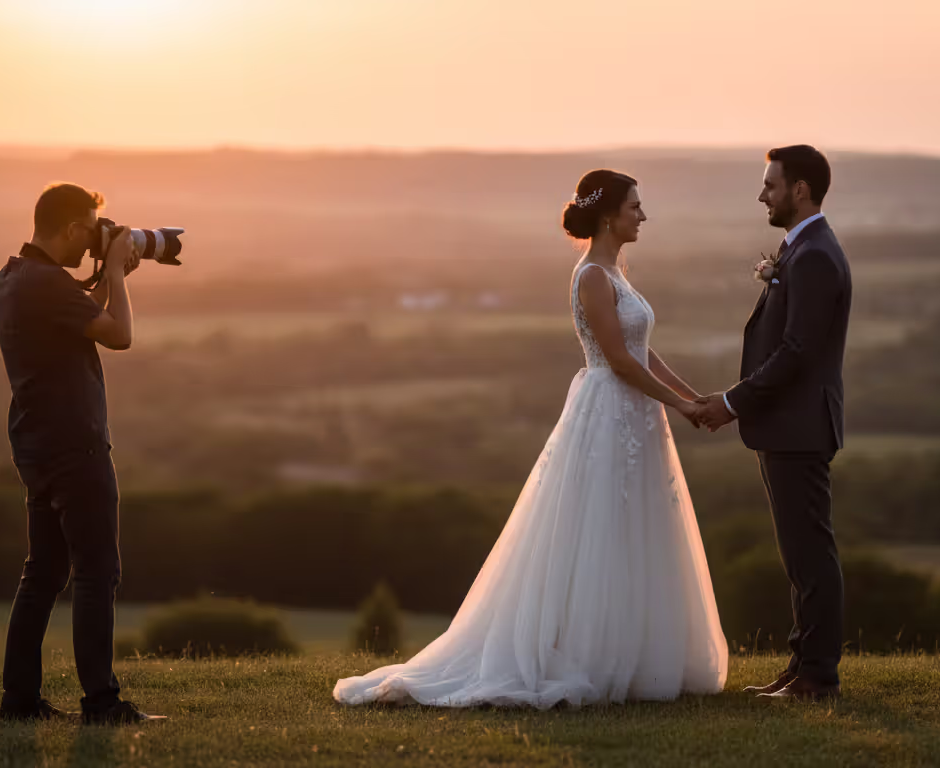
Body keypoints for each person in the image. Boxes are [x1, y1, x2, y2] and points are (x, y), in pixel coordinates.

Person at [333, 170, 729, 708]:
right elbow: (615, 360)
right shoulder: (592, 275)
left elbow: (641, 349)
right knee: (601, 531)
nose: (642, 215)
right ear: (609, 214)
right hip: (609, 412)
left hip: (636, 414)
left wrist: (692, 399)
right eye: (635, 206)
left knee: (638, 528)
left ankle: (635, 656)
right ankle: (588, 655)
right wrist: (680, 404)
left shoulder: (616, 270)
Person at [0, 182, 164, 724]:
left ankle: (19, 701)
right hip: (76, 446)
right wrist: (113, 274)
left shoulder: (13, 278)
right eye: (90, 230)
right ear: (69, 228)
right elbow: (119, 336)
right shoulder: (45, 283)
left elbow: (74, 316)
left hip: (36, 447)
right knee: (97, 573)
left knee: (42, 574)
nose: (93, 241)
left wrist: (112, 277)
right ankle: (102, 703)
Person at [692, 146, 852, 701]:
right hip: (790, 427)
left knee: (810, 555)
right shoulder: (803, 248)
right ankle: (802, 664)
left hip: (798, 427)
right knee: (799, 555)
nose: (762, 194)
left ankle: (818, 676)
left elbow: (797, 352)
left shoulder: (811, 256)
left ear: (800, 189)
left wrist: (732, 402)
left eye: (770, 184)